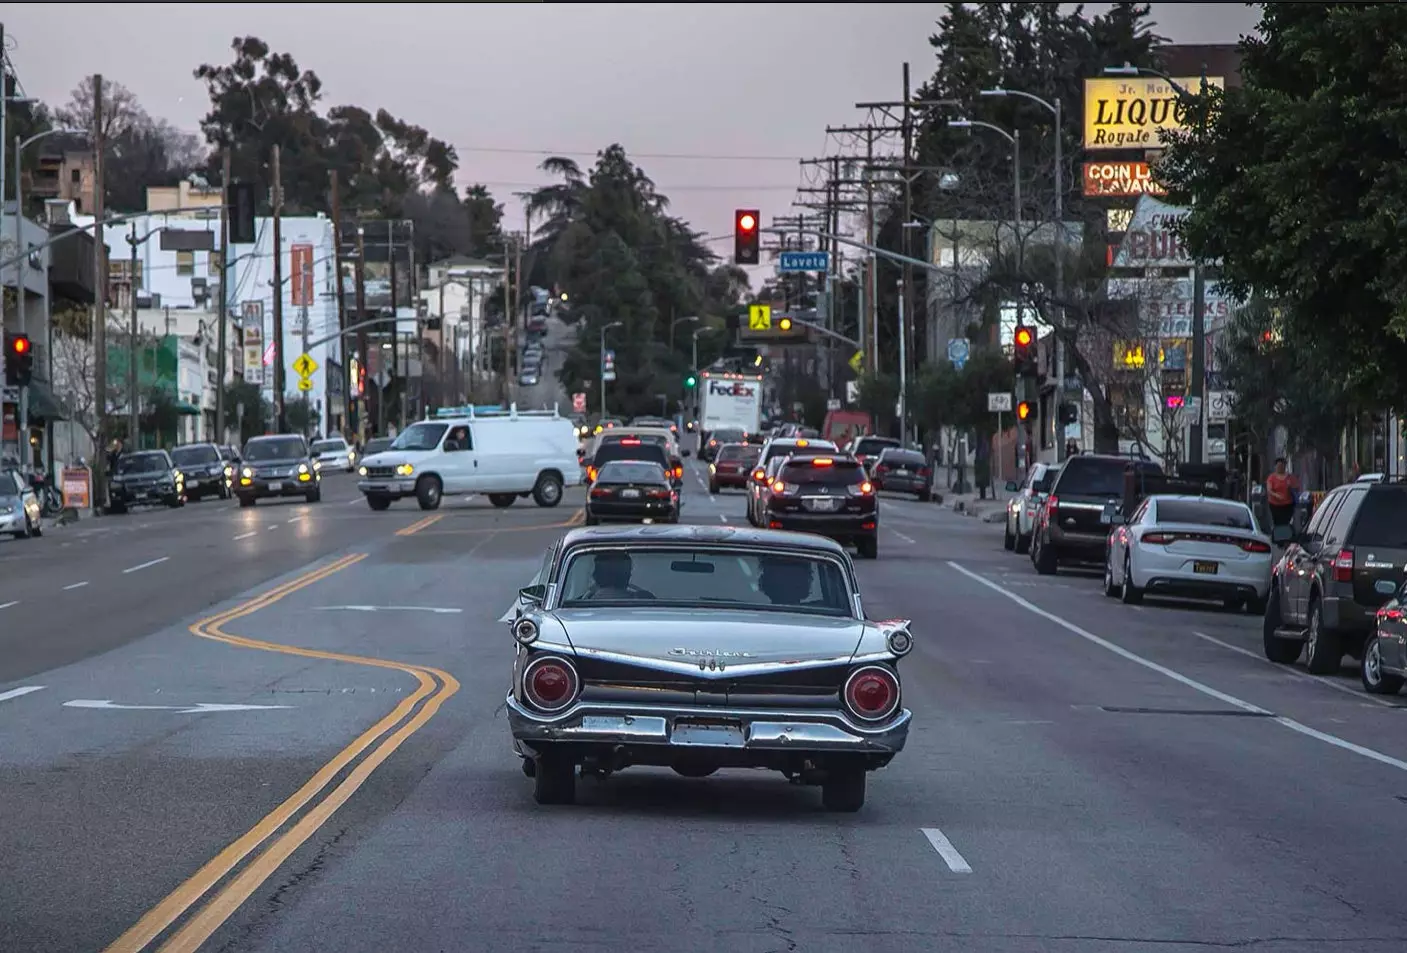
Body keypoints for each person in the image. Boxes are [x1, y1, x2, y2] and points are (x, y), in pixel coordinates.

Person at [583, 551, 654, 600]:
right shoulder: (647, 601)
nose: (630, 574)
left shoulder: (583, 602)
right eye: (629, 571)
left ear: (595, 576)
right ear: (627, 576)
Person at [1265, 457, 1299, 530]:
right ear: (1276, 467)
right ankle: (1278, 536)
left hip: (1288, 504)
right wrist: (1276, 495)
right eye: (1278, 466)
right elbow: (1269, 490)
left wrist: (1291, 487)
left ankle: (1285, 536)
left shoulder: (1290, 477)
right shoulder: (1272, 477)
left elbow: (1296, 488)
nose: (1280, 467)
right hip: (1275, 504)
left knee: (1286, 522)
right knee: (1278, 522)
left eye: (1282, 465)